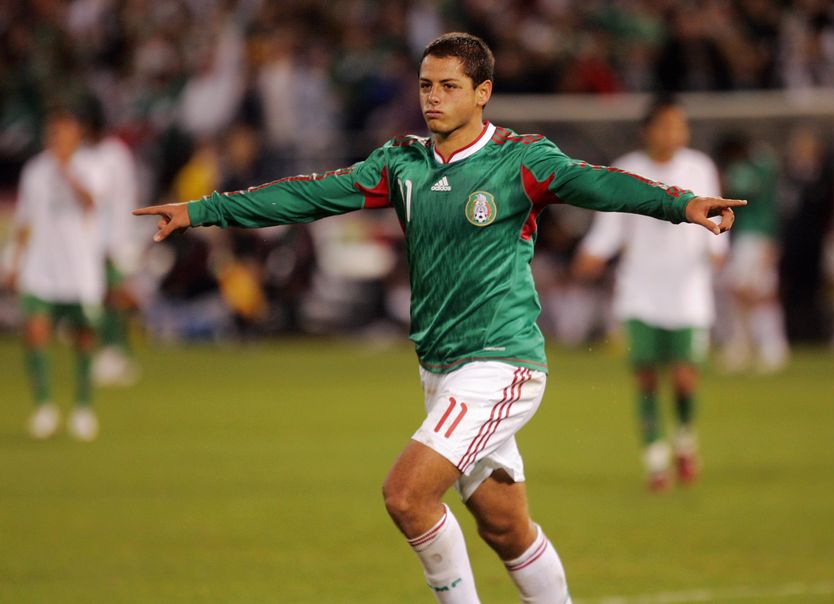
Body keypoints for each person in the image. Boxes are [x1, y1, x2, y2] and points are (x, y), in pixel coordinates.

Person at [134, 33, 744, 604]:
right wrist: (202, 209)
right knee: (506, 528)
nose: (432, 97)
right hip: (442, 369)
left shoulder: (519, 160)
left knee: (406, 495)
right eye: (426, 85)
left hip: (501, 363)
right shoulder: (402, 164)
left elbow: (601, 184)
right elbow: (308, 193)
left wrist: (681, 203)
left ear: (482, 93)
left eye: (448, 86)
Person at [572, 97, 728, 491]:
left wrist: (718, 249)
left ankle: (685, 439)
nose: (674, 134)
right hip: (639, 290)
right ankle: (656, 462)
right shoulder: (629, 169)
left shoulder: (699, 167)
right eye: (666, 126)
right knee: (645, 378)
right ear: (648, 131)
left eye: (680, 126)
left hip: (687, 291)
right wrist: (593, 251)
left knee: (683, 379)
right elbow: (610, 225)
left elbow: (716, 214)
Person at [7, 108, 105, 441]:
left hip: (79, 270)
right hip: (41, 268)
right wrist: (13, 263)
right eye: (52, 135)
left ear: (77, 137)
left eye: (63, 135)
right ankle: (45, 406)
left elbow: (92, 202)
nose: (57, 142)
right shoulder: (34, 171)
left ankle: (82, 407)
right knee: (35, 331)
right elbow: (24, 221)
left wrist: (67, 172)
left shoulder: (92, 166)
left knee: (85, 338)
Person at [717, 134, 790, 373]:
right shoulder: (763, 167)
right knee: (742, 293)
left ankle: (772, 349)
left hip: (757, 238)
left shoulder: (759, 168)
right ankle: (743, 347)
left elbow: (736, 188)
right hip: (748, 237)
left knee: (760, 294)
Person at [85, 101, 143, 386]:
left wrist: (117, 241)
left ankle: (117, 353)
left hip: (117, 237)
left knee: (114, 293)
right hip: (92, 239)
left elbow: (118, 200)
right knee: (101, 296)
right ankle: (114, 352)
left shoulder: (114, 155)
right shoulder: (87, 154)